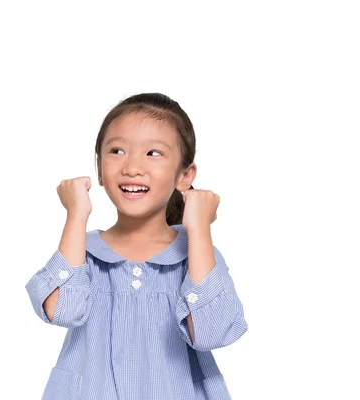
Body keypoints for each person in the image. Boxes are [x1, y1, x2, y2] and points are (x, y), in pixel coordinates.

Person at [24, 93, 248, 400]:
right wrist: (76, 215)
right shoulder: (84, 254)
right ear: (100, 169)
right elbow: (63, 311)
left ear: (185, 176)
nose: (132, 167)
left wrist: (199, 231)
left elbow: (211, 332)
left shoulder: (194, 256)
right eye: (117, 151)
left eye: (153, 153)